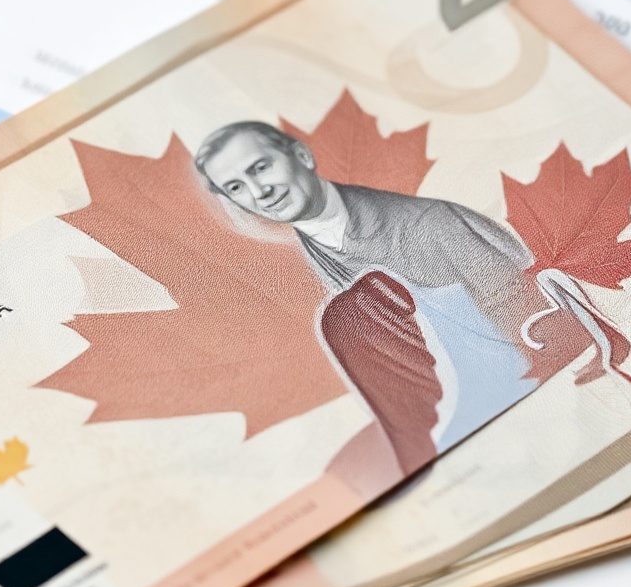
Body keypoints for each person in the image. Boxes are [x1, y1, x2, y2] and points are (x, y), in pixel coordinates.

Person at [193, 118, 539, 471]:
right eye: (236, 187)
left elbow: (525, 315)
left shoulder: (432, 224)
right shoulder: (314, 241)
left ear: (301, 155)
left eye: (261, 167)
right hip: (435, 416)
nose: (258, 191)